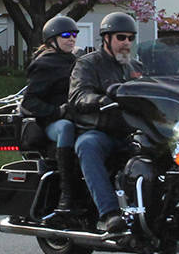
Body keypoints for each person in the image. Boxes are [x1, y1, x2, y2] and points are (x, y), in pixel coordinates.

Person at [67, 12, 143, 233]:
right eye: (121, 37)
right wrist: (100, 100)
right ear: (106, 38)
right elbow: (78, 95)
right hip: (101, 130)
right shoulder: (88, 64)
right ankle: (110, 213)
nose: (126, 43)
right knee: (87, 145)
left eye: (130, 38)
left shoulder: (135, 68)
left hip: (132, 131)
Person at [20, 15, 80, 215]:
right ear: (52, 39)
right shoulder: (44, 65)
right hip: (52, 124)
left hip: (78, 117)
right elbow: (29, 101)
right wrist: (57, 111)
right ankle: (67, 190)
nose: (71, 38)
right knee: (66, 128)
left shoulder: (77, 62)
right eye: (65, 35)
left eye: (74, 34)